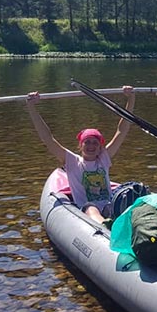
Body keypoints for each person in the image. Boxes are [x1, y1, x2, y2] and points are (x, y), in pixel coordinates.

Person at [25, 86, 135, 224]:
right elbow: (47, 138)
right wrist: (31, 107)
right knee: (91, 208)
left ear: (100, 147)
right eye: (87, 142)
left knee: (113, 207)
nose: (91, 146)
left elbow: (122, 130)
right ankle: (104, 226)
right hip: (87, 208)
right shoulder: (72, 162)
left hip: (108, 205)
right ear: (80, 145)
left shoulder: (103, 159)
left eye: (95, 143)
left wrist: (131, 98)